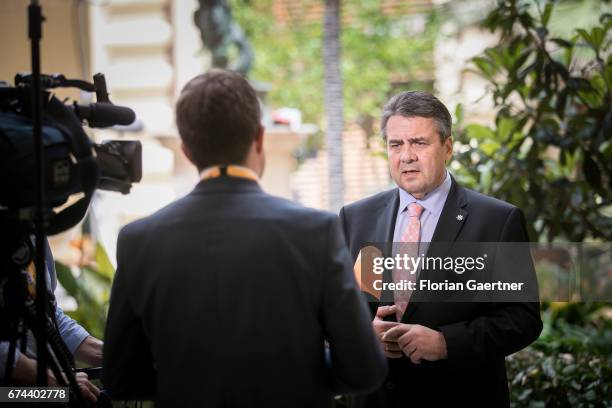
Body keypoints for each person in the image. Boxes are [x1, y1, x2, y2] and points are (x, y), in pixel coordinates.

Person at [102, 69, 387, 407]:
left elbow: (120, 379)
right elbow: (363, 370)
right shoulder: (316, 231)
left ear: (187, 151)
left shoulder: (138, 241)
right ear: (260, 138)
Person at [339, 91, 542, 407]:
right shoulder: (356, 218)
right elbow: (335, 310)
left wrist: (447, 343)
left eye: (419, 143)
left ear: (447, 147)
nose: (407, 155)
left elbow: (523, 319)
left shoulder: (497, 221)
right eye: (396, 144)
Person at [0, 239, 102, 403]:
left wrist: (108, 355)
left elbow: (49, 314)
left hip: (46, 393)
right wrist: (54, 380)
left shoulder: (34, 232)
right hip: (9, 395)